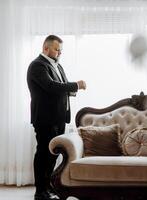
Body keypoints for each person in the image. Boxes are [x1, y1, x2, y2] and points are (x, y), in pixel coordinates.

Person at [27, 35, 86, 200]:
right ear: (46, 48)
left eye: (61, 50)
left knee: (52, 154)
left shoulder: (57, 66)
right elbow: (51, 86)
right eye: (56, 49)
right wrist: (76, 85)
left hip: (58, 117)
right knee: (43, 153)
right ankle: (40, 192)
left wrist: (74, 89)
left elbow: (62, 86)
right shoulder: (37, 65)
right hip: (45, 118)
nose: (59, 53)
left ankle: (48, 187)